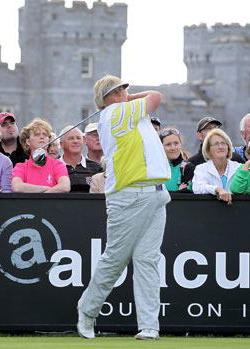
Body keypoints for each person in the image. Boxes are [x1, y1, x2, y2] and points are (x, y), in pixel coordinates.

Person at [77, 75, 170, 341]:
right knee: (116, 259)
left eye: (125, 90)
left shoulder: (127, 114)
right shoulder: (117, 112)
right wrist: (126, 99)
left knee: (147, 261)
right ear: (108, 98)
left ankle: (149, 325)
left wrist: (125, 98)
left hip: (156, 194)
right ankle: (87, 309)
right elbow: (155, 96)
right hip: (129, 195)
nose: (125, 93)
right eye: (119, 90)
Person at [11, 118, 70, 193]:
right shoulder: (20, 167)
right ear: (28, 141)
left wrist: (46, 194)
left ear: (48, 140)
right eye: (37, 134)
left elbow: (65, 186)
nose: (42, 137)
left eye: (45, 134)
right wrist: (43, 189)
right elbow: (16, 187)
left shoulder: (58, 165)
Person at [191, 128, 240, 204]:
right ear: (208, 149)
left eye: (223, 143)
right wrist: (217, 189)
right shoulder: (201, 169)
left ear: (228, 147)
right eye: (216, 144)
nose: (220, 147)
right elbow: (197, 188)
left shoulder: (239, 168)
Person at [60, 126, 103, 192]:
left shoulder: (96, 168)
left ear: (84, 141)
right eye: (71, 138)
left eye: (78, 138)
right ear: (61, 144)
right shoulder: (53, 167)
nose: (75, 141)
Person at [160, 126, 192, 192]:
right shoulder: (155, 168)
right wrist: (178, 192)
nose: (173, 148)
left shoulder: (188, 168)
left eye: (176, 143)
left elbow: (186, 196)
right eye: (168, 144)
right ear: (161, 147)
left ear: (181, 144)